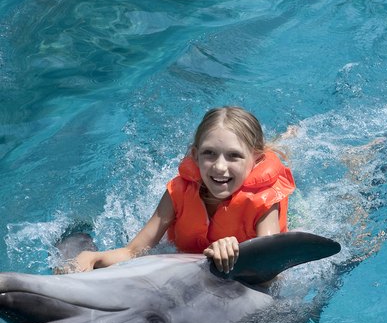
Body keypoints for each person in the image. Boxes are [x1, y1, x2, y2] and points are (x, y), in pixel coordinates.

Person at [72, 106, 296, 274]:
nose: (219, 167)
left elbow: (271, 273)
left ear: (256, 160)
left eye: (234, 156)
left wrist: (237, 252)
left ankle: (289, 138)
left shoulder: (264, 202)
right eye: (209, 153)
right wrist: (94, 257)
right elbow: (133, 252)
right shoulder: (177, 193)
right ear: (195, 155)